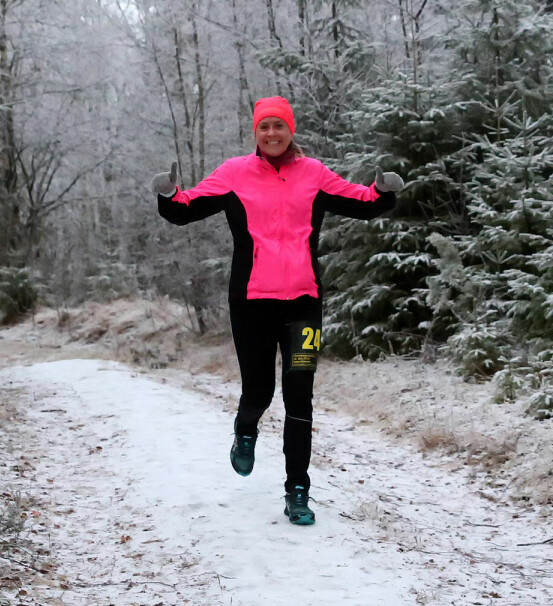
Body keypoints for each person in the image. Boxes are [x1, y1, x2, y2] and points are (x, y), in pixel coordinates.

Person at [151, 96, 403, 526]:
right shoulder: (234, 173)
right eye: (264, 127)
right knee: (260, 391)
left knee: (299, 397)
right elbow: (187, 207)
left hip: (304, 304)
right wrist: (169, 193)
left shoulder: (314, 173)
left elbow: (360, 201)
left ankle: (298, 492)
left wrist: (382, 191)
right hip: (251, 303)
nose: (271, 134)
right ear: (256, 132)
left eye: (278, 126)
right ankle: (245, 429)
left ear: (291, 130)